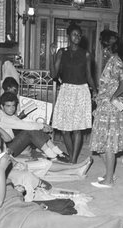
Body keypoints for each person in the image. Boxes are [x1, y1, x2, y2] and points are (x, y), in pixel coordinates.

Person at [0, 106, 93, 184]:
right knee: (42, 164)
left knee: (41, 163)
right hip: (2, 167)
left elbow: (7, 139)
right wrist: (14, 164)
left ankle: (75, 168)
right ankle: (74, 169)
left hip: (9, 160)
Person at [50, 23, 97, 164]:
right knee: (65, 130)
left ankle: (74, 160)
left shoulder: (86, 54)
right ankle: (72, 157)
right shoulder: (61, 52)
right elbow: (53, 74)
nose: (77, 37)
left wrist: (94, 90)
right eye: (74, 34)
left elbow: (89, 75)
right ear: (68, 36)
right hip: (66, 91)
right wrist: (52, 56)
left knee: (77, 129)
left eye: (79, 34)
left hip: (81, 92)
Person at [90, 30, 123, 188]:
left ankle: (109, 181)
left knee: (107, 144)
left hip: (110, 109)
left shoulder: (115, 61)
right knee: (101, 144)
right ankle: (109, 174)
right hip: (105, 107)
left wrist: (113, 96)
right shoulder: (112, 60)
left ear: (106, 47)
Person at [0, 91, 69, 162]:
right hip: (8, 150)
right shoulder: (3, 118)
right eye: (8, 106)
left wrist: (42, 126)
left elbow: (23, 122)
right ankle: (52, 155)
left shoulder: (7, 114)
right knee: (29, 131)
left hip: (12, 143)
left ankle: (57, 151)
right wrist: (42, 126)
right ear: (2, 106)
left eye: (13, 105)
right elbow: (24, 125)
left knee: (33, 128)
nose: (12, 108)